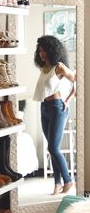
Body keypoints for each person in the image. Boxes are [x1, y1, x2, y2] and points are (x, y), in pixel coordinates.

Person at [33, 35, 76, 195]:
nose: (42, 53)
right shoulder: (43, 68)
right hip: (44, 107)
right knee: (52, 148)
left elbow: (77, 80)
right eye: (40, 50)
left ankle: (68, 180)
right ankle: (57, 184)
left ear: (52, 50)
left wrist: (69, 99)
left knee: (53, 147)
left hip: (57, 108)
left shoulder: (59, 67)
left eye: (45, 50)